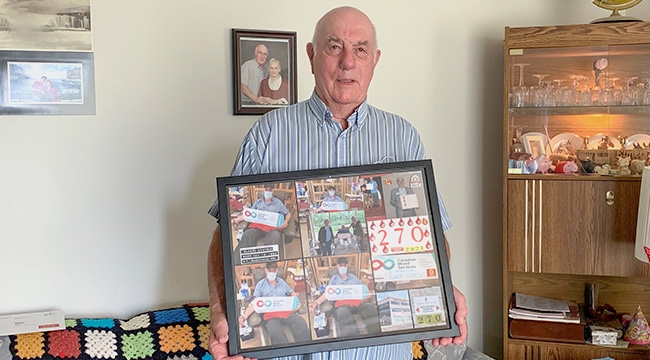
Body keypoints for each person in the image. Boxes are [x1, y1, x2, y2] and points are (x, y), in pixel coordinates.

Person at [207, 6, 467, 360]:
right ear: (312, 56)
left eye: (360, 49)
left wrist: (443, 288)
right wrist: (221, 312)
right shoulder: (268, 133)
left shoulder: (403, 137)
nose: (348, 61)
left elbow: (431, 232)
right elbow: (225, 238)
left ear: (374, 60)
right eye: (334, 47)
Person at [239, 261, 310, 345]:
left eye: (273, 270)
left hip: (285, 311)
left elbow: (291, 293)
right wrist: (244, 316)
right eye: (269, 270)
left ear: (276, 271)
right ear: (265, 270)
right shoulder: (260, 285)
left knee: (301, 323)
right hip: (270, 316)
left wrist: (297, 301)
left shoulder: (282, 283)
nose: (271, 272)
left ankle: (304, 349)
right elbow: (254, 303)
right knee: (275, 332)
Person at [308, 257, 380, 337]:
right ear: (337, 266)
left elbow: (363, 290)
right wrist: (316, 302)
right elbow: (327, 294)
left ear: (347, 266)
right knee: (343, 314)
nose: (342, 267)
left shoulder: (353, 277)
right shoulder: (334, 279)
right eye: (340, 265)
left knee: (370, 307)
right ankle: (352, 340)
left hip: (357, 303)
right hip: (342, 305)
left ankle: (376, 336)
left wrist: (368, 293)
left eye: (344, 265)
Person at [231, 184, 291, 265]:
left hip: (272, 228)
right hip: (258, 227)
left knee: (275, 237)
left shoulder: (278, 203)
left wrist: (286, 221)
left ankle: (270, 265)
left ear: (273, 191)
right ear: (264, 190)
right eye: (266, 190)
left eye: (270, 190)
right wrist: (236, 220)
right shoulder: (258, 202)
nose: (268, 192)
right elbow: (248, 214)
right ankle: (235, 263)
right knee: (248, 234)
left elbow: (288, 213)